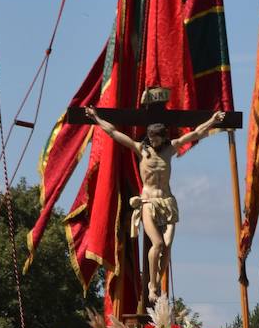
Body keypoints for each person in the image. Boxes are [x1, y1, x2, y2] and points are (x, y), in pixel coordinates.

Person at [84, 106, 225, 301]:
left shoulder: (170, 148)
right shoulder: (141, 149)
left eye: (155, 138)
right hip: (148, 202)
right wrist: (96, 118)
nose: (152, 141)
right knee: (157, 244)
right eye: (150, 138)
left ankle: (157, 280)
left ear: (162, 137)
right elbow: (113, 133)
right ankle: (151, 286)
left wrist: (214, 120)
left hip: (167, 202)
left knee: (166, 248)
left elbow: (196, 133)